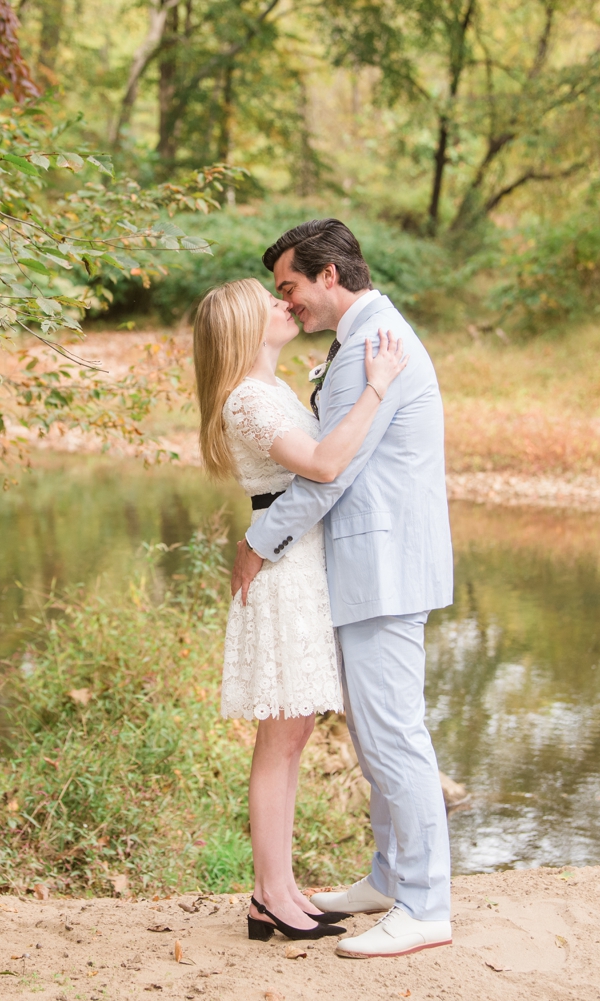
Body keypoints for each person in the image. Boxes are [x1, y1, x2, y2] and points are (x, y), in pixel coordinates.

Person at [230, 219, 456, 959]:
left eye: (290, 286)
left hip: (382, 565)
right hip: (373, 565)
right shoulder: (365, 337)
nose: (286, 302)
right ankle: (391, 877)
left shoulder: (367, 344)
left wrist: (258, 540)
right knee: (375, 733)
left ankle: (425, 904)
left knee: (393, 735)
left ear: (330, 276)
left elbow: (332, 472)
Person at [192, 277, 409, 941]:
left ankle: (280, 887)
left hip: (298, 567)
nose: (284, 304)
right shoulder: (249, 398)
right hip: (283, 576)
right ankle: (268, 894)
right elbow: (320, 463)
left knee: (292, 740)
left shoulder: (271, 388)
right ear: (242, 328)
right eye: (270, 300)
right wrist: (377, 385)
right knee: (279, 743)